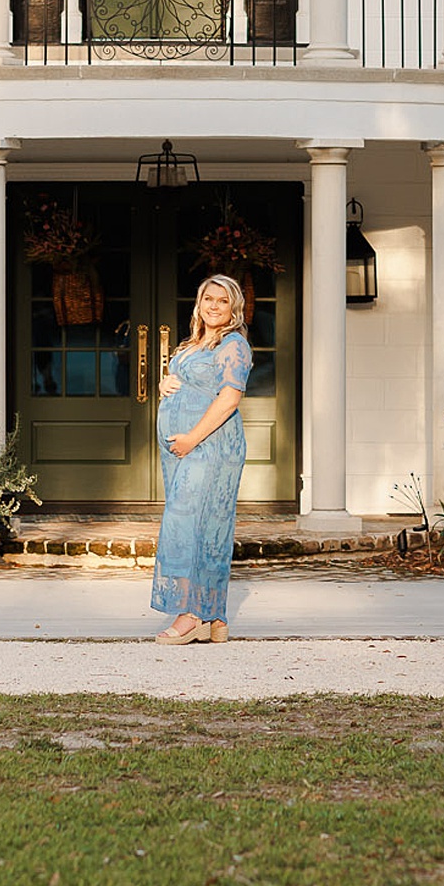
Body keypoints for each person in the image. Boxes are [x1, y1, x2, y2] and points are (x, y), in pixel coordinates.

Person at [151, 272, 253, 644]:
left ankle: (192, 615)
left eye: (223, 301)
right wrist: (165, 383)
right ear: (199, 303)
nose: (214, 305)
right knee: (199, 525)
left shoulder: (234, 344)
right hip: (185, 450)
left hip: (209, 446)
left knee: (192, 528)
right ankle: (213, 615)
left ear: (234, 308)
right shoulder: (195, 343)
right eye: (208, 298)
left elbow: (229, 398)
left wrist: (192, 438)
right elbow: (190, 382)